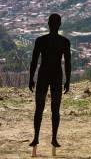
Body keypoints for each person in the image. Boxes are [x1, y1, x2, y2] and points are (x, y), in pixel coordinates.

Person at [29, 13, 71, 148]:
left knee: (40, 108)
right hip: (56, 75)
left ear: (48, 23)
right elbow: (68, 63)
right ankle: (52, 138)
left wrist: (31, 78)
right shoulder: (64, 42)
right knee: (54, 109)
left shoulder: (41, 40)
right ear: (59, 24)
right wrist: (68, 80)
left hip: (44, 74)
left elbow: (34, 61)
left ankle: (37, 137)